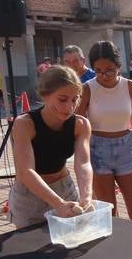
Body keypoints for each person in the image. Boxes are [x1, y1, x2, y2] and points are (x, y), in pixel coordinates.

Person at [10, 65, 93, 229]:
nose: (69, 106)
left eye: (75, 99)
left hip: (64, 188)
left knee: (73, 238)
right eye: (62, 99)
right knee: (29, 245)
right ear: (45, 95)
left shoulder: (81, 124)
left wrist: (87, 196)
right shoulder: (25, 124)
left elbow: (83, 163)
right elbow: (25, 171)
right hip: (30, 194)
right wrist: (58, 204)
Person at [76, 41, 132, 222]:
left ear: (118, 66)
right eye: (97, 70)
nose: (103, 75)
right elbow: (78, 123)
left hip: (126, 149)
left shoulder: (131, 87)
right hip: (98, 151)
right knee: (109, 215)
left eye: (109, 70)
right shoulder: (88, 89)